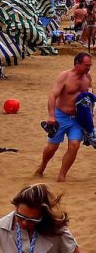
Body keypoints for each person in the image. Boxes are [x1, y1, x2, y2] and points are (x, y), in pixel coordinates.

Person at [36, 52, 93, 181]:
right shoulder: (65, 76)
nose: (88, 68)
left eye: (90, 65)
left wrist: (89, 115)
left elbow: (90, 93)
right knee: (52, 147)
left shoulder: (87, 77)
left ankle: (62, 175)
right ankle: (42, 166)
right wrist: (51, 115)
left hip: (78, 118)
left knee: (74, 145)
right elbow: (53, 95)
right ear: (77, 63)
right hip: (61, 116)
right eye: (86, 65)